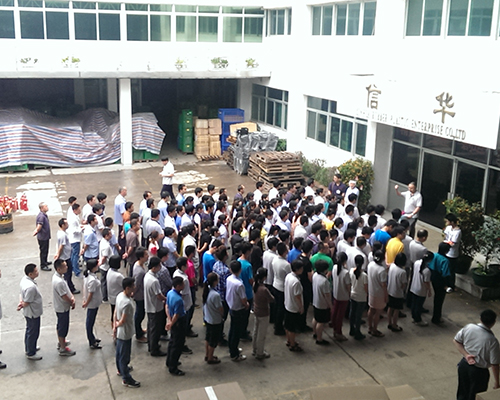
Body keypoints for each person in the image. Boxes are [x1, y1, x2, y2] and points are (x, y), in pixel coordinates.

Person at [454, 309, 500, 400]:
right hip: (479, 372)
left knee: (462, 392)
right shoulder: (492, 341)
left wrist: (466, 355)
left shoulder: (469, 327)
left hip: (464, 365)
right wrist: (497, 382)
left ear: (480, 319)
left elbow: (456, 341)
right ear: (494, 322)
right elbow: (494, 364)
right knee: (475, 396)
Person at [114, 277, 140, 388]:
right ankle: (126, 378)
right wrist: (118, 324)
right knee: (124, 356)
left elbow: (116, 311)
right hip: (125, 331)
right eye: (133, 286)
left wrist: (115, 325)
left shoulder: (120, 296)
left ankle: (120, 369)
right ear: (128, 288)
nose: (134, 287)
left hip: (120, 331)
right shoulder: (127, 303)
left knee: (119, 352)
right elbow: (123, 320)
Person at [17, 263, 43, 360]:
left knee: (29, 330)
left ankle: (29, 347)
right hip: (33, 313)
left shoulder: (25, 280)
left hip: (30, 312)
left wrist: (21, 303)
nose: (37, 272)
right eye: (35, 271)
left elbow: (21, 295)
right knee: (33, 332)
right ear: (30, 274)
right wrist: (21, 305)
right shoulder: (31, 287)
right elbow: (27, 301)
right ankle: (31, 352)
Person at [226, 260, 249, 361]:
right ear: (240, 270)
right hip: (238, 309)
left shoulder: (229, 279)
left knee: (233, 329)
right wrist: (246, 304)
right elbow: (243, 299)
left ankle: (232, 348)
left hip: (231, 306)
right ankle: (234, 354)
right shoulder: (239, 284)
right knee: (236, 332)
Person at [52, 259, 76, 356]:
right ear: (59, 269)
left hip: (60, 306)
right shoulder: (59, 282)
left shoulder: (58, 277)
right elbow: (64, 296)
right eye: (65, 266)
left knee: (60, 325)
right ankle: (63, 348)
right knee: (63, 327)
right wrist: (71, 302)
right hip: (62, 307)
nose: (67, 267)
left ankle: (61, 341)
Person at [144, 256, 167, 357]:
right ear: (154, 267)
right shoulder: (154, 281)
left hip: (149, 305)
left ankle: (151, 345)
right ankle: (154, 348)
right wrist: (166, 299)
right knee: (155, 330)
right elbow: (159, 295)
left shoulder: (147, 276)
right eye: (159, 266)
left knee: (151, 327)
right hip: (155, 307)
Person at [166, 277, 187, 375]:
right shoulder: (178, 300)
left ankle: (169, 361)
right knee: (177, 345)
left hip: (173, 321)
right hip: (178, 322)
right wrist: (172, 323)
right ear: (178, 286)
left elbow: (167, 306)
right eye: (182, 284)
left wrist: (169, 320)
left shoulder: (170, 293)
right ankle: (173, 367)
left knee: (172, 342)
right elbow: (177, 314)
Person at [252, 268, 274, 359]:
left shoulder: (255, 285)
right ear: (264, 277)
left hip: (256, 310)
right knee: (262, 334)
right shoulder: (264, 289)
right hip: (263, 312)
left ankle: (255, 349)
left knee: (256, 331)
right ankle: (260, 353)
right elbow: (271, 299)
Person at [202, 272, 224, 364]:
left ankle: (207, 354)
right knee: (213, 341)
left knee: (208, 338)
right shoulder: (215, 295)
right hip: (215, 320)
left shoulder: (206, 291)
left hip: (208, 318)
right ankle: (210, 358)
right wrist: (222, 315)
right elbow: (220, 308)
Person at [428, 242, 451, 325]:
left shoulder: (434, 255)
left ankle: (436, 316)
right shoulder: (445, 260)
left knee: (436, 297)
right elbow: (445, 273)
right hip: (440, 280)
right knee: (439, 299)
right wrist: (447, 284)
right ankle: (436, 317)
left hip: (433, 277)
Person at [284, 259, 304, 352]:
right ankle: (292, 344)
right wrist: (301, 307)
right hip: (293, 307)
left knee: (287, 325)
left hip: (288, 304)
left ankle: (289, 340)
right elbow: (298, 296)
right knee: (292, 328)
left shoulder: (288, 276)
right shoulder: (296, 282)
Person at [82, 259, 103, 349]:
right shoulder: (92, 280)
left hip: (92, 302)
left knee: (90, 321)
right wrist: (86, 303)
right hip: (93, 303)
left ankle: (92, 338)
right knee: (90, 322)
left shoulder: (88, 276)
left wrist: (84, 299)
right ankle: (92, 341)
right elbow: (91, 293)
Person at [54, 218, 78, 294]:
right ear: (63, 225)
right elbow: (61, 246)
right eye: (66, 223)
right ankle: (70, 288)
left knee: (68, 273)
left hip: (66, 256)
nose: (68, 225)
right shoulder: (63, 235)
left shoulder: (61, 233)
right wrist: (58, 254)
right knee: (68, 273)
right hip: (65, 257)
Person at [367, 250, 388, 338]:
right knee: (378, 312)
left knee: (371, 309)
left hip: (371, 291)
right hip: (379, 294)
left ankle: (370, 327)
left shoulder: (370, 265)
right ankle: (375, 329)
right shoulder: (382, 270)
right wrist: (386, 295)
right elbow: (383, 285)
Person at [331, 252, 351, 341]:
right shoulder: (345, 272)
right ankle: (338, 332)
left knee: (335, 312)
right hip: (343, 296)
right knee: (340, 315)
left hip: (336, 293)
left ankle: (334, 328)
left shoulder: (335, 267)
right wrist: (350, 294)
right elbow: (348, 286)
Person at [410, 251, 434, 327]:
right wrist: (429, 290)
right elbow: (426, 282)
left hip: (413, 286)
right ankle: (418, 320)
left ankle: (414, 317)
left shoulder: (416, 263)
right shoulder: (427, 270)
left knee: (414, 304)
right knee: (419, 305)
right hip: (420, 290)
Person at [272, 242, 291, 336]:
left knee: (277, 307)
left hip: (275, 284)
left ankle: (276, 324)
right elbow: (289, 275)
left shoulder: (275, 259)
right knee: (281, 309)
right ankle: (278, 327)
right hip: (282, 287)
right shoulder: (286, 264)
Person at [312, 260, 332, 345]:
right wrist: (330, 305)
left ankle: (315, 333)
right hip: (322, 304)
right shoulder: (325, 281)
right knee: (321, 322)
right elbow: (327, 295)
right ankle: (319, 339)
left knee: (315, 318)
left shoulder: (315, 275)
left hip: (315, 301)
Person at [387, 253, 408, 333]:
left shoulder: (392, 266)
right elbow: (403, 284)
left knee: (390, 308)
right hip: (397, 293)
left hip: (390, 290)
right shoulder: (402, 272)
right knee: (396, 310)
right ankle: (394, 325)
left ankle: (389, 323)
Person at [132, 247, 149, 344]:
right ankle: (138, 334)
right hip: (140, 295)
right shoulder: (140, 271)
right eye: (146, 255)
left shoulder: (139, 265)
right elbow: (137, 284)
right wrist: (133, 293)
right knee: (140, 313)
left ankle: (139, 330)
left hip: (141, 293)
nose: (147, 256)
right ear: (141, 257)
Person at [349, 255, 368, 340]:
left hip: (353, 294)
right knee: (358, 315)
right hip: (361, 296)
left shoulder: (351, 271)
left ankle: (351, 329)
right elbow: (365, 288)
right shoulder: (364, 275)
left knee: (352, 312)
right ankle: (357, 332)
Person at [444, 213, 462, 293]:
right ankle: (446, 284)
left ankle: (451, 285)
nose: (446, 222)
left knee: (451, 270)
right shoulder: (448, 228)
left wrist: (446, 243)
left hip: (452, 254)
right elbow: (446, 237)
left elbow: (453, 243)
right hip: (446, 251)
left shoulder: (457, 232)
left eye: (447, 221)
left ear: (451, 222)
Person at [33, 202, 52, 271]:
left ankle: (45, 261)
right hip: (43, 237)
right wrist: (36, 231)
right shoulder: (41, 216)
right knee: (43, 251)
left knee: (46, 250)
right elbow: (39, 225)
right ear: (41, 208)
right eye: (45, 206)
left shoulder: (44, 215)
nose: (47, 207)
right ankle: (43, 265)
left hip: (45, 236)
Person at [107, 255, 124, 330]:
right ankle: (115, 330)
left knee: (113, 313)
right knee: (117, 315)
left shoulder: (109, 271)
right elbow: (124, 284)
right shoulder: (118, 276)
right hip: (117, 298)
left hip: (111, 296)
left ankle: (114, 329)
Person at [67, 203, 83, 277]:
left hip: (74, 239)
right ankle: (76, 270)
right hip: (75, 239)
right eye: (79, 209)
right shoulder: (73, 219)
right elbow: (74, 230)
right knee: (75, 255)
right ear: (75, 210)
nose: (80, 210)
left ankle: (73, 268)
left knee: (74, 255)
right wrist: (81, 229)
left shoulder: (75, 217)